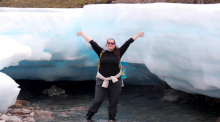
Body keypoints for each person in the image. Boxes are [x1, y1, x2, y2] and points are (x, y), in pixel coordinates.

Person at [76, 31, 144, 121]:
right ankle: (88, 116)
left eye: (112, 43)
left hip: (115, 80)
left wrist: (138, 35)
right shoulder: (101, 52)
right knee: (98, 100)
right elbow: (92, 42)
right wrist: (82, 34)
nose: (110, 44)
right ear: (106, 44)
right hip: (101, 79)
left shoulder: (118, 53)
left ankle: (111, 118)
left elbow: (128, 43)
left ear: (114, 45)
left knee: (113, 101)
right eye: (109, 43)